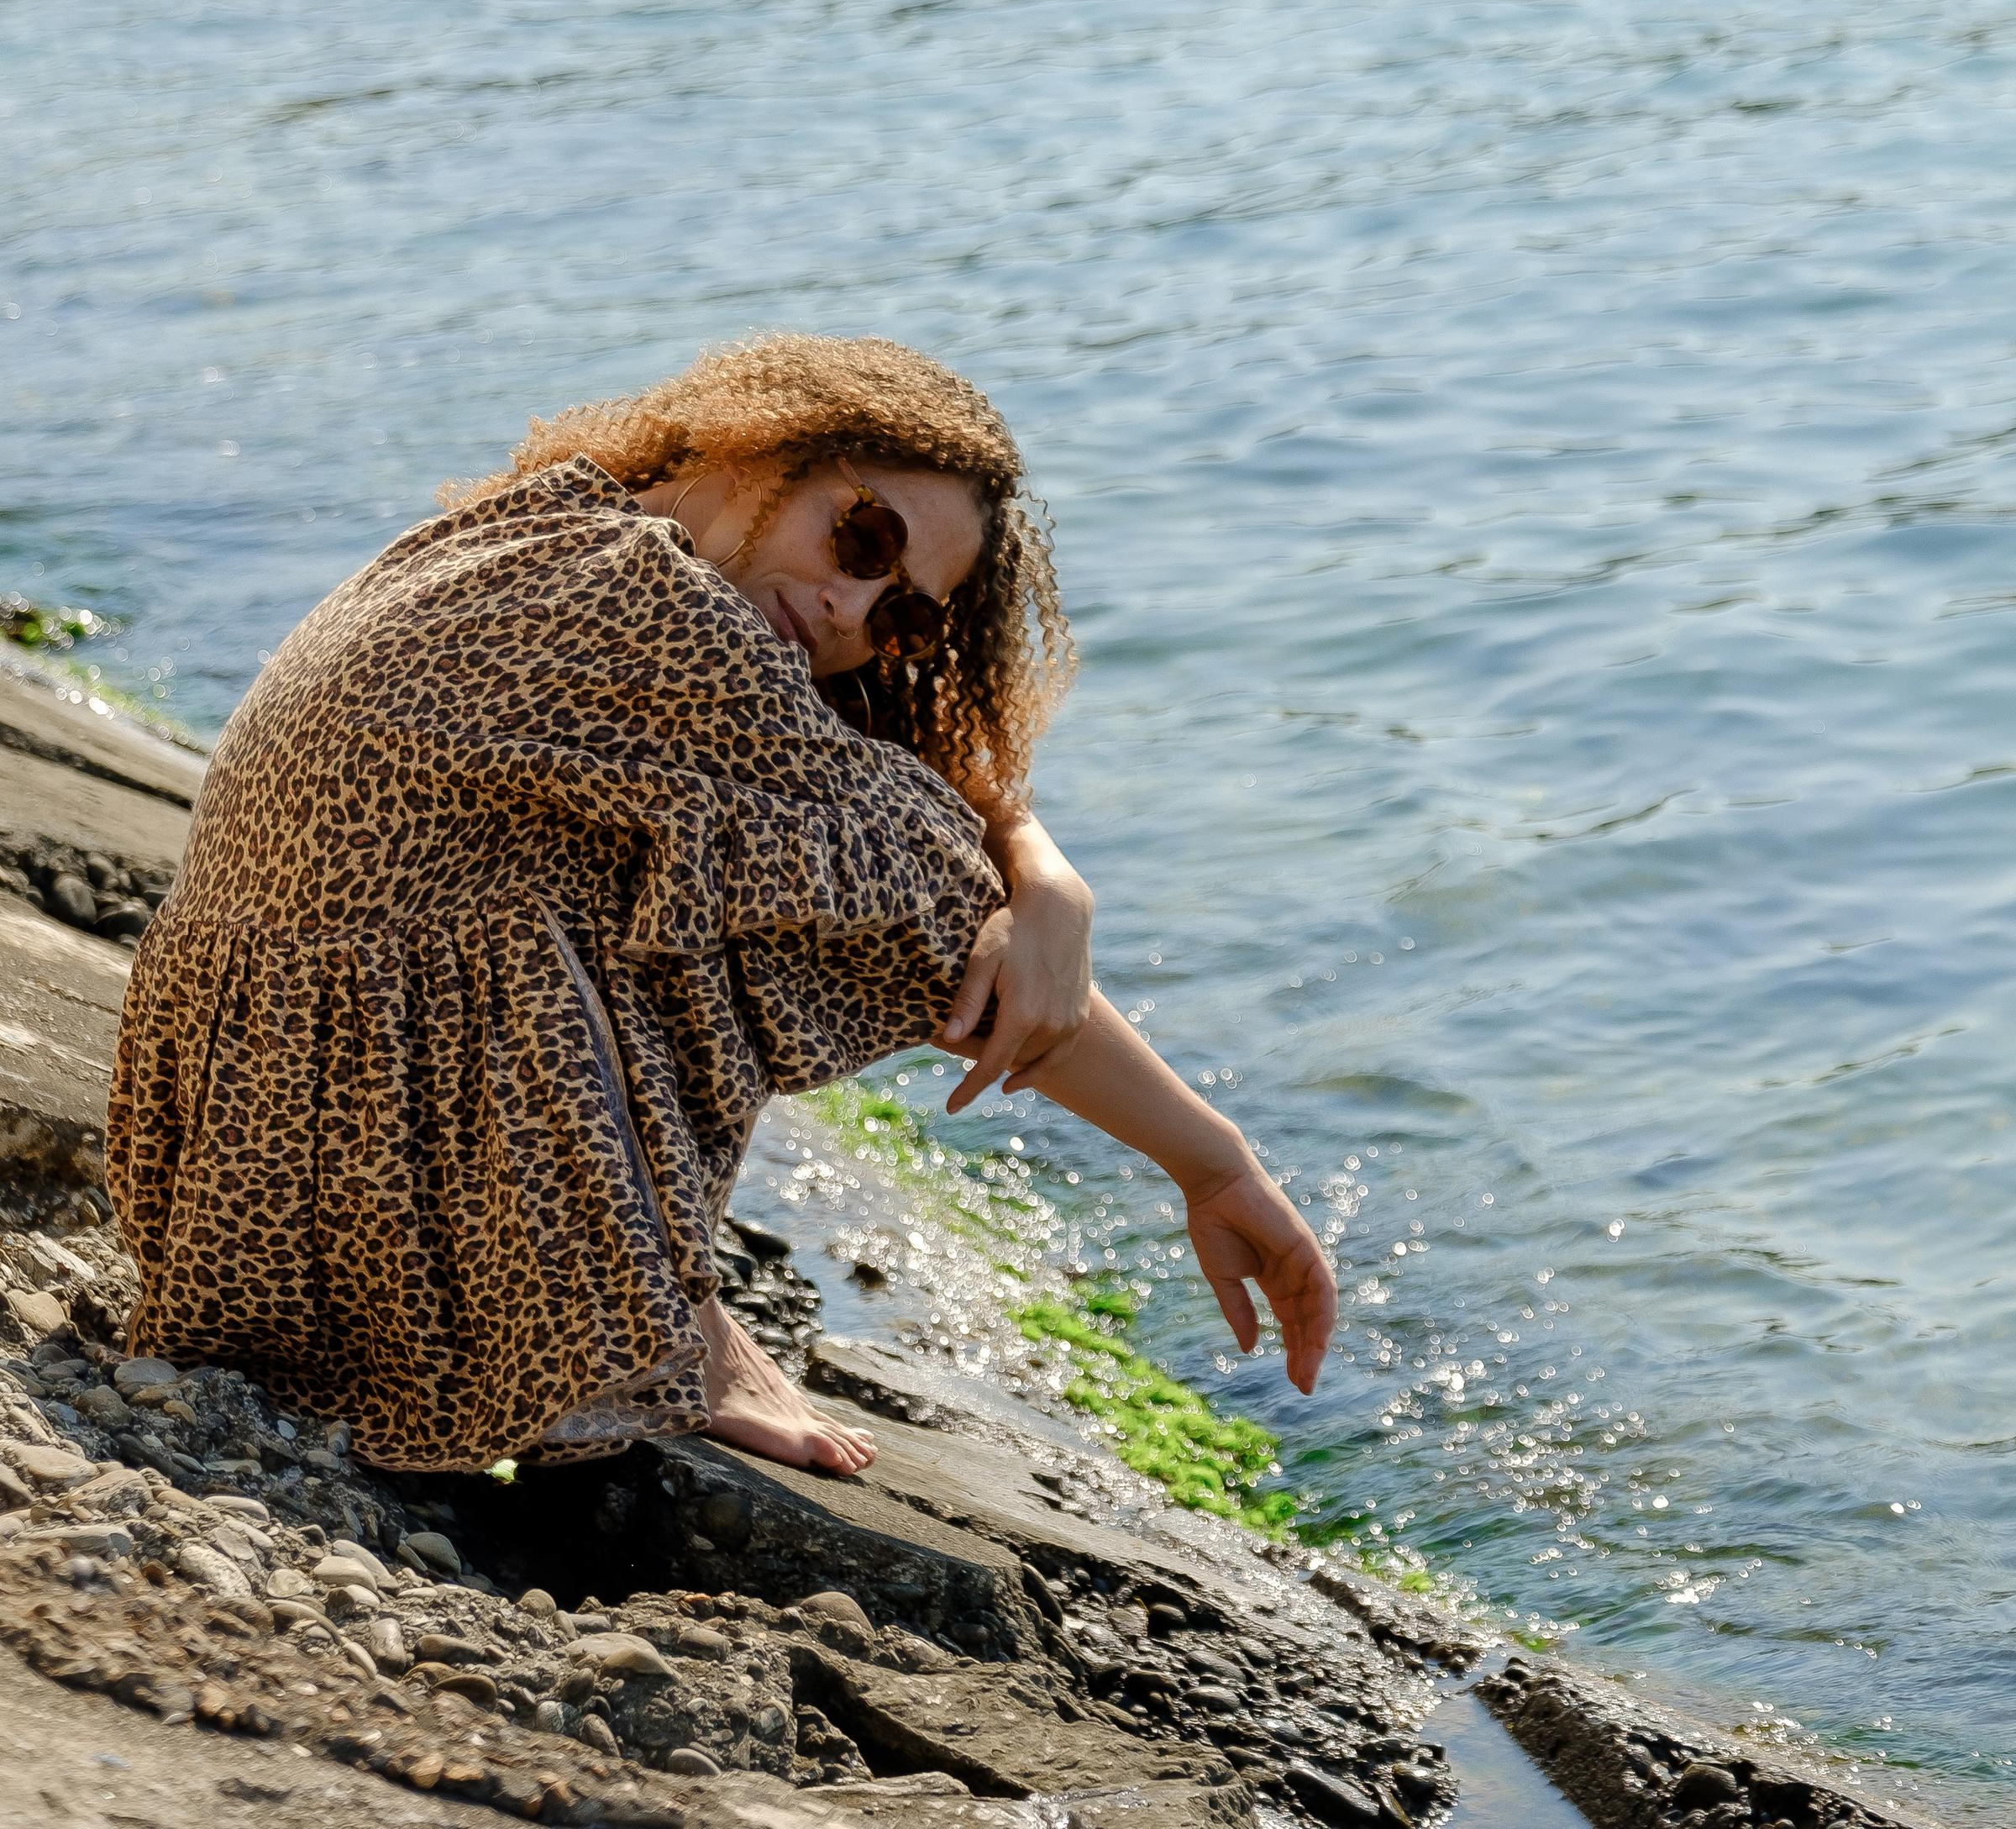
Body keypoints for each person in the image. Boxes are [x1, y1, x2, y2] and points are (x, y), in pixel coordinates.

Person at [108, 334, 1335, 1480]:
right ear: (759, 444)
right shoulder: (661, 610)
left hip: (227, 1192)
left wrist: (1044, 871)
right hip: (370, 1228)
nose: (857, 610)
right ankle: (673, 1331)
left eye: (902, 615)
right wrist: (1212, 1165)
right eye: (863, 539)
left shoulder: (545, 522)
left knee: (741, 858)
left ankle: (678, 1306)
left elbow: (921, 808)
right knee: (811, 892)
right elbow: (927, 894)